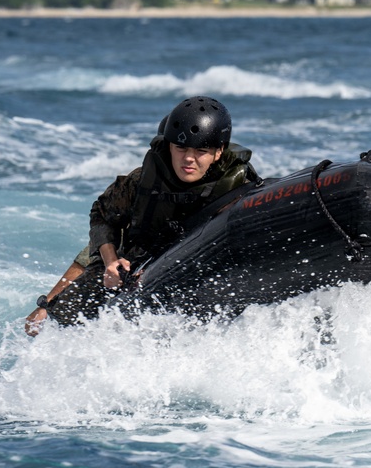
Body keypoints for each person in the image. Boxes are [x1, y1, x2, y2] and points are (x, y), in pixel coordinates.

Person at [25, 96, 261, 334]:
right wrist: (108, 264)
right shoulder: (141, 183)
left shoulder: (238, 188)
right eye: (181, 148)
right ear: (169, 146)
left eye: (201, 150)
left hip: (197, 267)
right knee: (57, 318)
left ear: (218, 152)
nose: (189, 158)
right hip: (135, 263)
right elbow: (100, 222)